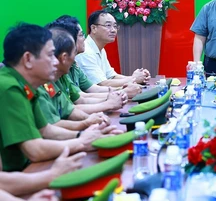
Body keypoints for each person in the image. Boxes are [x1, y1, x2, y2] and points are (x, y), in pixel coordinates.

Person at [0, 23, 108, 171]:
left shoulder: (28, 85)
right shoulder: (8, 87)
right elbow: (34, 150)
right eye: (50, 55)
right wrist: (82, 141)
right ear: (28, 59)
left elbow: (46, 130)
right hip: (16, 175)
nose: (56, 61)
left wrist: (83, 135)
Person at [38, 28, 115, 130]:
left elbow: (69, 109)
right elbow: (47, 130)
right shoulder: (19, 88)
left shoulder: (58, 76)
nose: (55, 61)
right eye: (50, 56)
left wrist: (90, 119)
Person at [55, 15, 138, 99]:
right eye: (81, 35)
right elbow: (85, 96)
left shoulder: (74, 65)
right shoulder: (83, 54)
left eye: (115, 26)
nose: (113, 30)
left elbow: (95, 88)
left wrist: (124, 89)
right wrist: (129, 84)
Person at [75, 10, 150, 89]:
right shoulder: (85, 51)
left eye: (115, 26)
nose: (113, 30)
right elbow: (101, 84)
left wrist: (139, 77)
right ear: (94, 28)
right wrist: (134, 79)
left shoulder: (100, 49)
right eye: (108, 25)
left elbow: (112, 76)